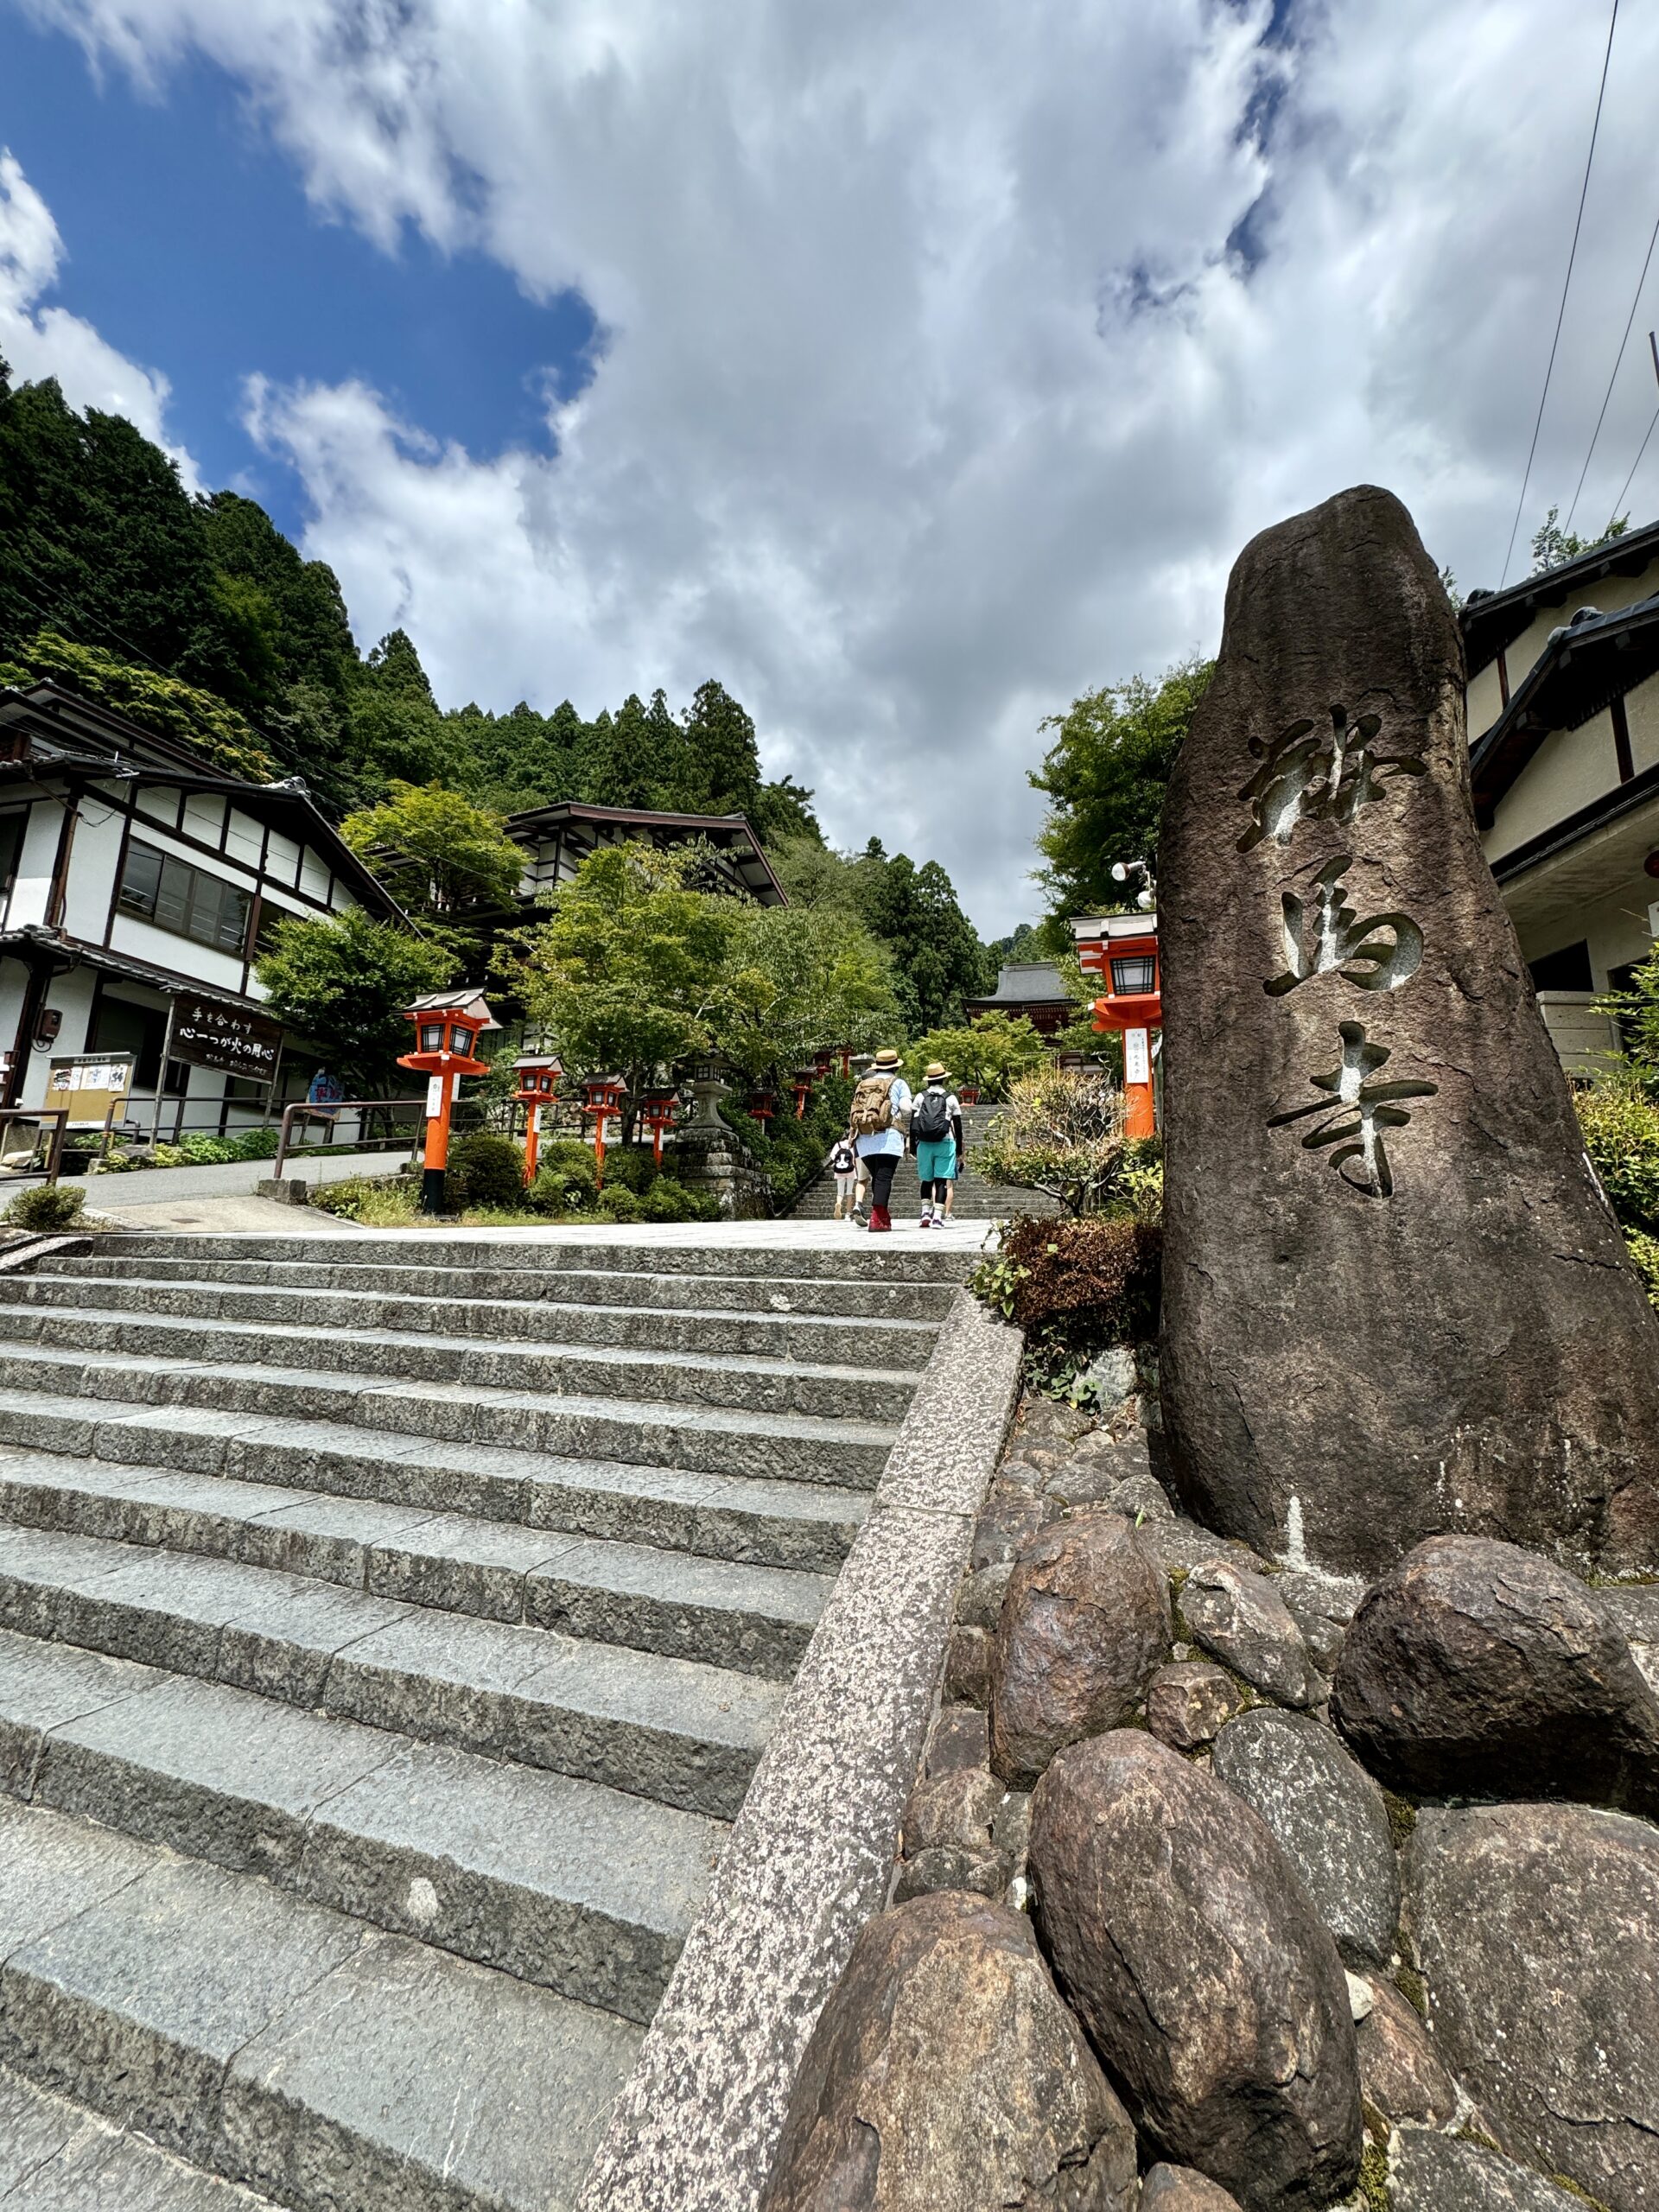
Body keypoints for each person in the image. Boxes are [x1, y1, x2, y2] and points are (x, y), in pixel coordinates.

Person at [849, 1046, 912, 1233]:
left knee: (878, 1177)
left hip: (864, 1137)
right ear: (895, 1067)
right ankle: (877, 1218)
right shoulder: (898, 1083)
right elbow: (906, 1108)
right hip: (888, 1136)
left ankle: (884, 1217)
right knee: (884, 1177)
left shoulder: (864, 1084)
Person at [910, 1060, 963, 1227]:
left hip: (924, 1144)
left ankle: (925, 1213)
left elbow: (913, 1124)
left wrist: (912, 1147)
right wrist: (960, 1150)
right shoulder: (951, 1098)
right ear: (943, 1079)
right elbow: (958, 1127)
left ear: (928, 1080)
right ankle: (938, 1217)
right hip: (945, 1142)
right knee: (941, 1181)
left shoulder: (920, 1097)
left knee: (926, 1180)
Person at [828, 1132, 859, 1223]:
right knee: (849, 1192)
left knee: (840, 1192)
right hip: (850, 1171)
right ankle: (848, 1214)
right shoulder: (852, 1145)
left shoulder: (838, 1144)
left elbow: (832, 1156)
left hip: (839, 1171)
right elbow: (856, 1157)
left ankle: (838, 1203)